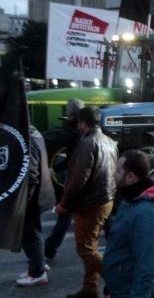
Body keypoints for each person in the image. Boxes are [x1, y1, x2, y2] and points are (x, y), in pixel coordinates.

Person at [56, 106, 118, 298]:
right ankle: (90, 288)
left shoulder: (88, 143)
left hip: (91, 203)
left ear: (83, 124)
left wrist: (64, 204)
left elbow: (78, 180)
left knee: (85, 247)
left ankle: (117, 281)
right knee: (90, 244)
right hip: (105, 199)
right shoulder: (109, 141)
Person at [103, 150, 154, 298]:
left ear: (130, 177)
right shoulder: (130, 199)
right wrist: (110, 285)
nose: (114, 175)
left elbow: (146, 270)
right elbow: (119, 246)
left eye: (118, 172)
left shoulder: (146, 215)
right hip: (123, 286)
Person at [45, 98, 85, 260]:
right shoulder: (82, 131)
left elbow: (72, 159)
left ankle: (50, 248)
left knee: (66, 212)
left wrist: (55, 169)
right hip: (84, 177)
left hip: (77, 178)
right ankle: (50, 247)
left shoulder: (74, 133)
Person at [16, 126, 56, 287]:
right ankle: (38, 265)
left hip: (30, 197)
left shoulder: (26, 136)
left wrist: (23, 203)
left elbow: (32, 174)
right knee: (34, 233)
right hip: (40, 194)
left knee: (30, 234)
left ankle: (37, 272)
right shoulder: (34, 132)